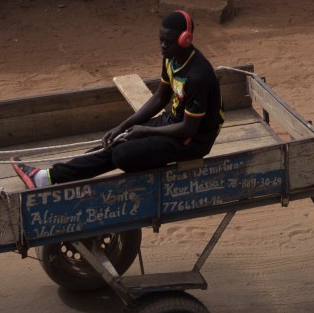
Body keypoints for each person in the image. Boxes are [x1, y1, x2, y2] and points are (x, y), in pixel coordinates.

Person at [38, 12, 220, 185]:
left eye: (168, 42)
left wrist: (147, 132)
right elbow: (159, 98)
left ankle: (50, 177)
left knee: (121, 155)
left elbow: (189, 128)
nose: (163, 46)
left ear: (185, 40)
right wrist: (121, 127)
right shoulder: (171, 58)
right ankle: (49, 177)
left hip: (193, 141)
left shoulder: (198, 77)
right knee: (115, 142)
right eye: (161, 41)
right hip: (173, 123)